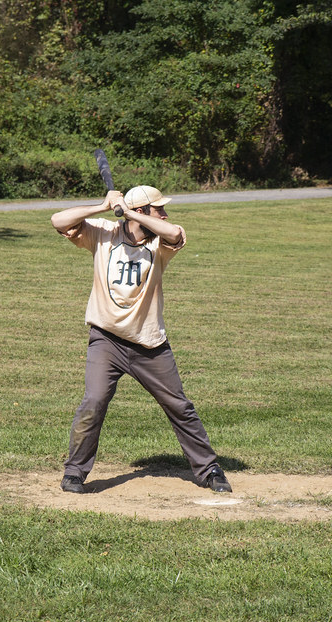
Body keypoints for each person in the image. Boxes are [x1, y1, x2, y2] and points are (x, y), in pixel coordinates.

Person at [51, 185, 232, 494]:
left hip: (149, 344)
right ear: (144, 211)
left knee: (179, 406)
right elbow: (58, 220)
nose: (164, 212)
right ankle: (74, 473)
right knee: (93, 402)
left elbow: (174, 232)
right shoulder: (103, 233)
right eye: (157, 208)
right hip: (106, 339)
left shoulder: (161, 242)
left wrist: (132, 211)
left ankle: (209, 469)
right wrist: (103, 205)